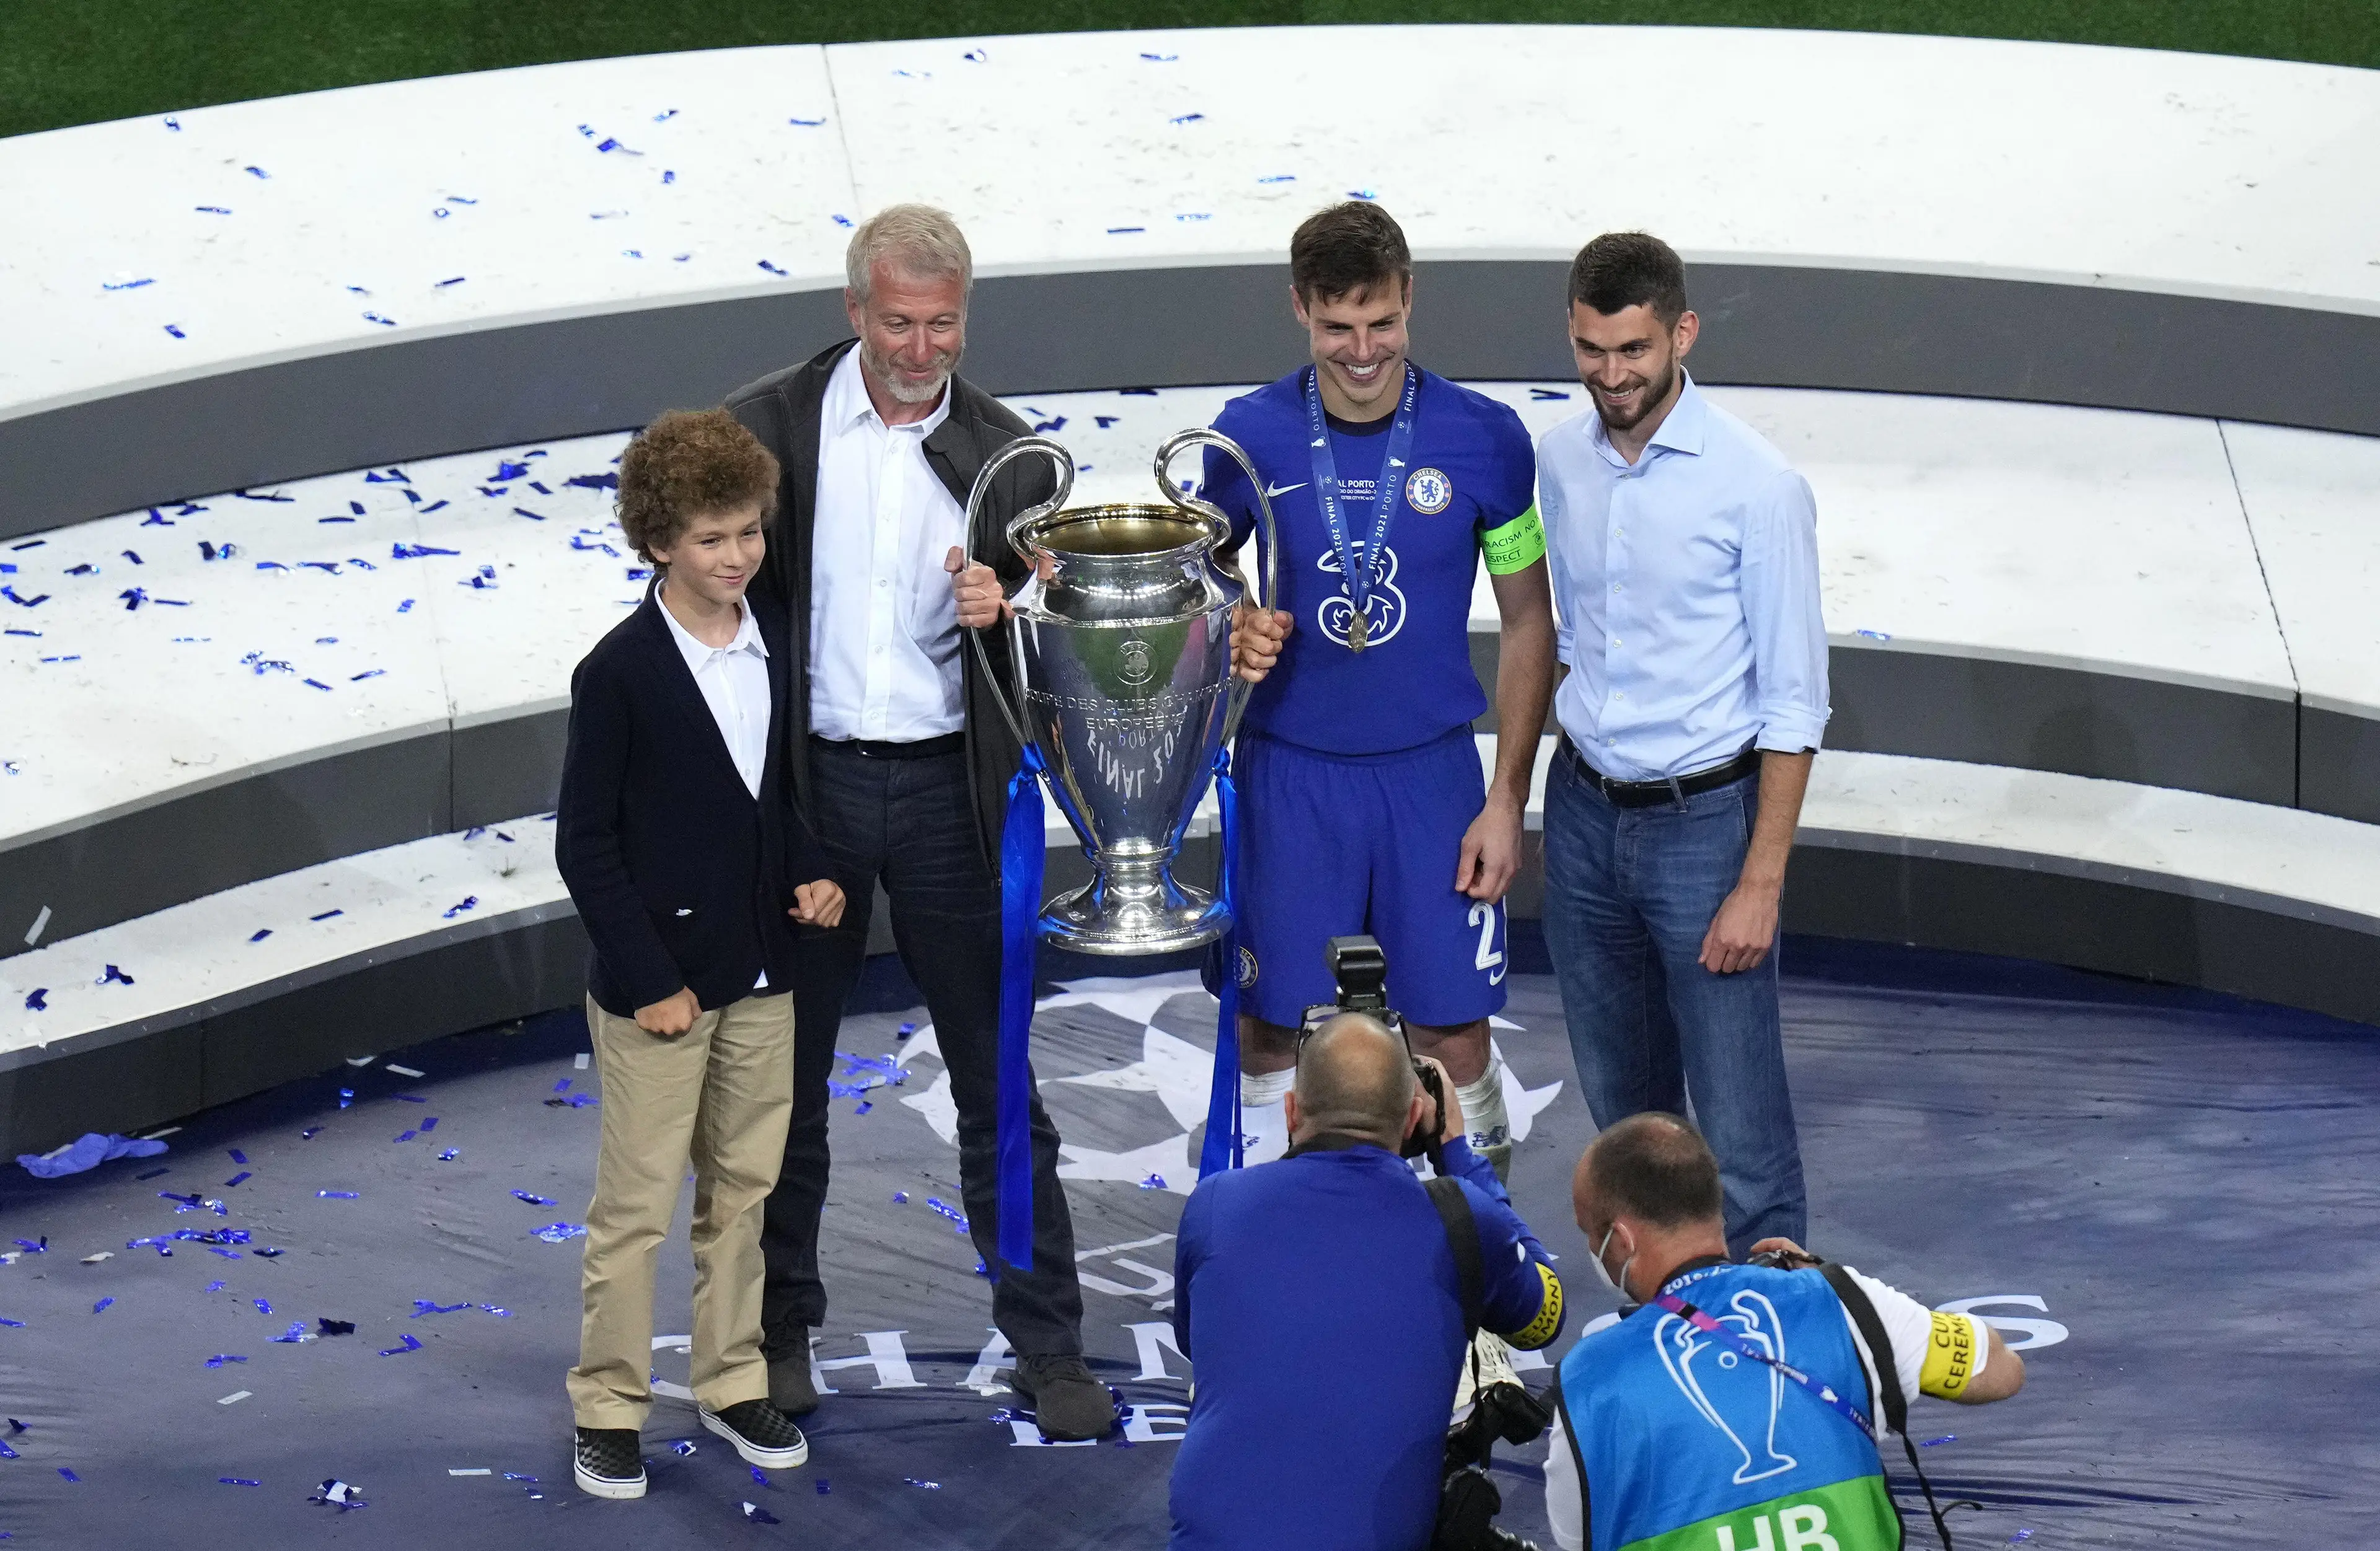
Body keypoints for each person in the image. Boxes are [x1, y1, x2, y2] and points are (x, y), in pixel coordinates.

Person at [724, 205, 1109, 1439]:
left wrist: (1009, 614)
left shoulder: (1013, 459)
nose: (920, 347)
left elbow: (1067, 653)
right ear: (854, 311)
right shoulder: (764, 431)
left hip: (956, 794)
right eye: (898, 321)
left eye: (942, 324)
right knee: (785, 1080)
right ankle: (778, 1331)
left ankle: (1047, 1342)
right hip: (813, 797)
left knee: (999, 1079)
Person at [1201, 201, 1558, 1178]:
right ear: (1299, 310)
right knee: (1275, 1032)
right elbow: (1205, 576)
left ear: (1411, 298)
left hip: (1434, 783)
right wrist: (1233, 613)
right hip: (1289, 777)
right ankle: (1280, 1242)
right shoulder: (1245, 439)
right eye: (1337, 328)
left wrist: (1505, 798)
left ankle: (1480, 1265)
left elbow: (1530, 618)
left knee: (1454, 1035)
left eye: (1382, 323)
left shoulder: (1487, 438)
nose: (1363, 351)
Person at [553, 409, 850, 1500]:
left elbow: (771, 798)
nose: (739, 557)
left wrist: (810, 866)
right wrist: (653, 983)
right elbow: (584, 843)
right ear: (658, 541)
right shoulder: (620, 672)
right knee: (635, 1209)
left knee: (746, 1190)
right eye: (715, 538)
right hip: (659, 995)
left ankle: (731, 1377)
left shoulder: (768, 632)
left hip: (763, 972)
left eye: (750, 533)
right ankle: (608, 1403)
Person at [1535, 231, 1830, 1253]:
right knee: (1630, 1127)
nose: (1612, 375)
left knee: (1742, 1132)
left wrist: (1762, 879)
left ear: (1683, 333)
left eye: (1634, 351)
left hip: (1707, 828)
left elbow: (1796, 702)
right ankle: (1667, 1349)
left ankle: (1771, 1348)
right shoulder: (1559, 458)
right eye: (1591, 349)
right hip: (1579, 818)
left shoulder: (1759, 484)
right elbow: (1568, 634)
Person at [1169, 1014, 1566, 1551]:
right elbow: (1545, 1317)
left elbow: (1196, 1344)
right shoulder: (1460, 1216)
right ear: (1412, 1119)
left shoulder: (1214, 1204)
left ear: (1291, 1111)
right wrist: (1458, 1152)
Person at [1543, 1114, 2024, 1551]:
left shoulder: (1588, 1379)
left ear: (1622, 1240)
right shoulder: (1841, 1300)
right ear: (1714, 1207)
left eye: (1591, 1232)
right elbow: (2001, 1370)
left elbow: (1574, 1535)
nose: (1592, 1247)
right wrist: (1824, 1275)